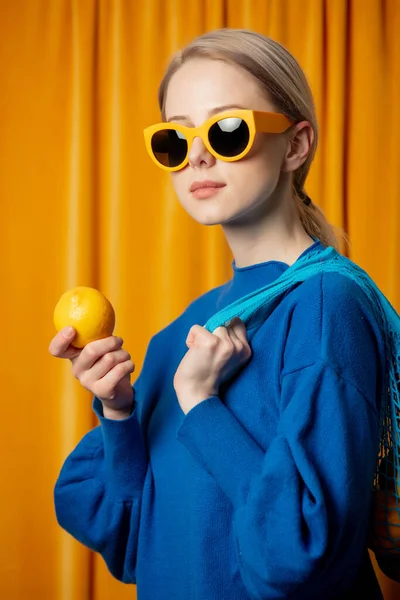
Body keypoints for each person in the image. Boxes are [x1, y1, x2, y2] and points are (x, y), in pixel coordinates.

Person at [50, 28, 389, 599]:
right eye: (175, 140)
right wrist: (118, 411)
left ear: (296, 145)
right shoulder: (178, 336)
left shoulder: (326, 308)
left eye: (227, 131)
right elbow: (132, 535)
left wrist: (202, 406)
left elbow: (304, 552)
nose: (198, 155)